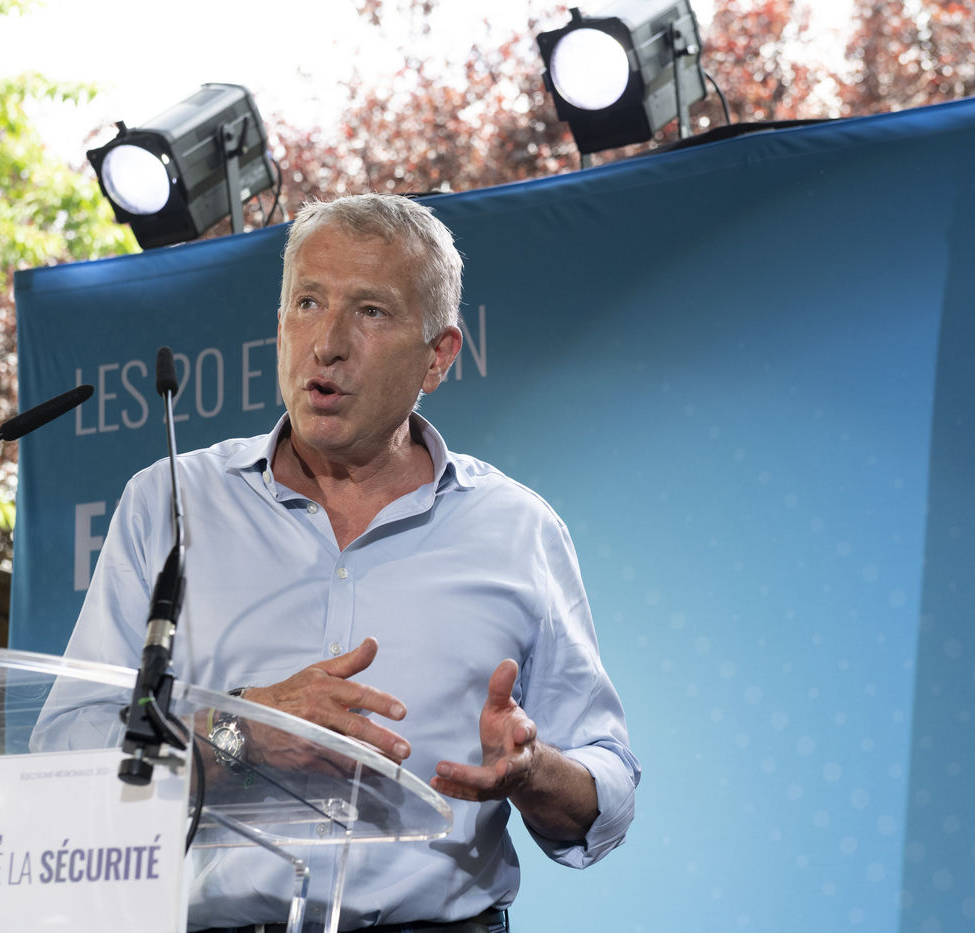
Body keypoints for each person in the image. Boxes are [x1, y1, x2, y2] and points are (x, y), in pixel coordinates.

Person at [51, 193, 638, 931]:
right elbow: (66, 753)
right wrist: (239, 732)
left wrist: (532, 769)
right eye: (307, 303)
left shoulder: (516, 529)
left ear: (438, 356)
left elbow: (607, 794)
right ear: (280, 327)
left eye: (371, 311)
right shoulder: (169, 502)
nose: (326, 344)